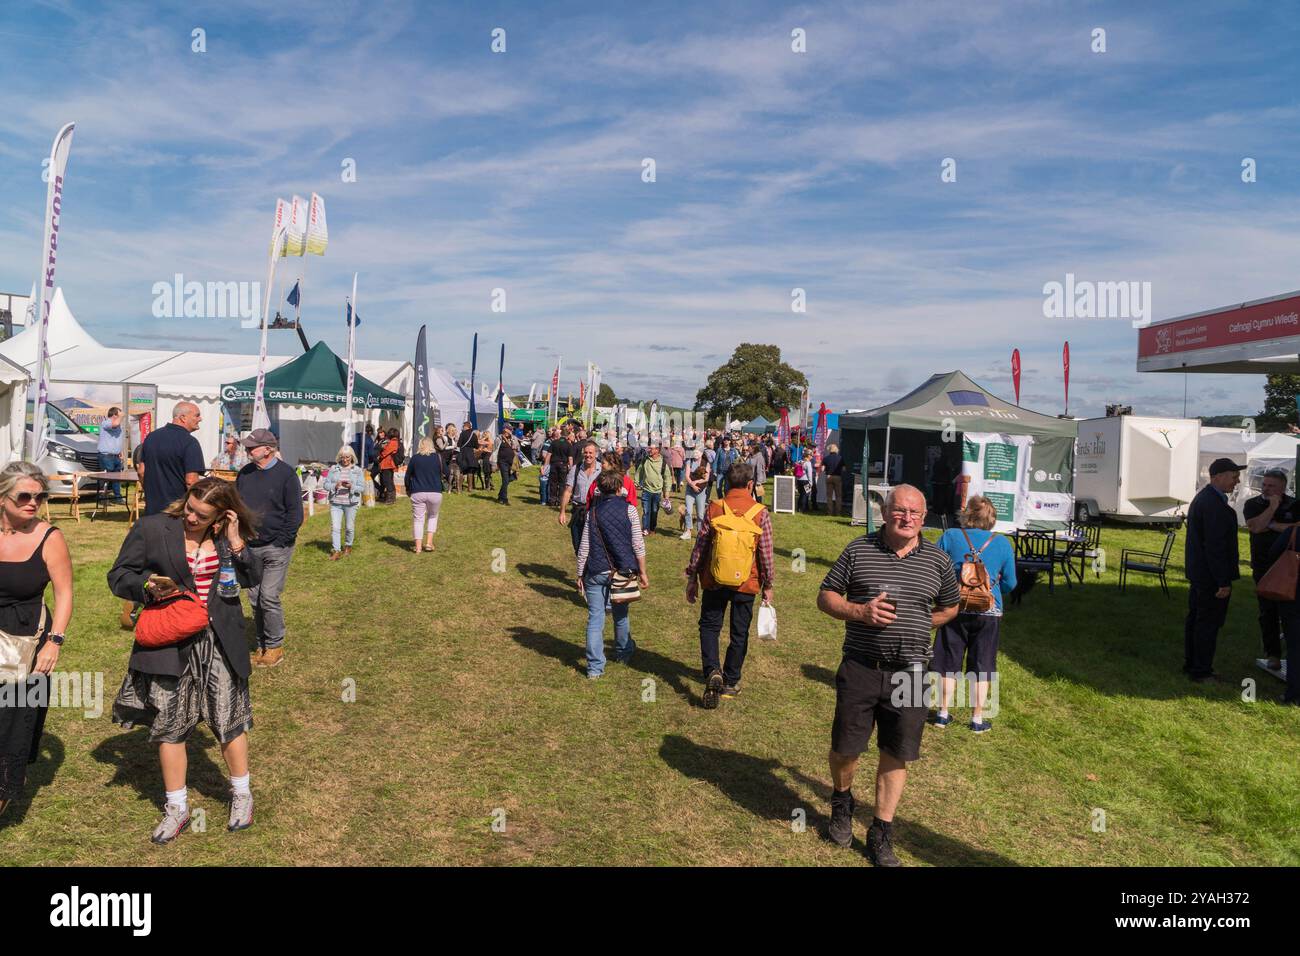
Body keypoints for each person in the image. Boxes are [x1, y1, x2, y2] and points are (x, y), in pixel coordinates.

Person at [108, 478, 258, 843]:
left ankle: (242, 794)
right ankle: (176, 807)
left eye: (201, 514)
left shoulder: (226, 535)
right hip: (170, 637)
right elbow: (119, 576)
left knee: (228, 718)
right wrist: (147, 587)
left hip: (220, 637)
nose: (191, 517)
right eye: (189, 508)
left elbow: (252, 577)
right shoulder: (152, 527)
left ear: (221, 515)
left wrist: (237, 543)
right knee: (170, 723)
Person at [817, 484, 960, 866]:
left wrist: (919, 622)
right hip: (862, 666)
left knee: (896, 753)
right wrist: (861, 613)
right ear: (885, 512)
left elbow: (951, 606)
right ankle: (842, 800)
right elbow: (826, 596)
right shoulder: (858, 550)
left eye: (915, 513)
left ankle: (881, 832)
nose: (907, 518)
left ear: (924, 517)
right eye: (900, 511)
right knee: (845, 749)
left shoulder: (938, 560)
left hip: (912, 673)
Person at [0, 463, 72, 817]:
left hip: (25, 639)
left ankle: (4, 790)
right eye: (24, 496)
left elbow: (65, 592)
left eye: (39, 496)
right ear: (3, 498)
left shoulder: (49, 537)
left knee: (12, 723)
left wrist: (54, 642)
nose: (33, 503)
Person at [684, 460, 774, 707]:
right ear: (750, 484)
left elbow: (701, 546)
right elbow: (765, 553)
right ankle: (731, 680)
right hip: (747, 581)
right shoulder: (760, 512)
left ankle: (712, 669)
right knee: (739, 632)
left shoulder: (715, 508)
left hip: (714, 578)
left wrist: (693, 576)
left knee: (710, 626)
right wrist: (768, 584)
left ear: (727, 483)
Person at [931, 496, 1017, 732]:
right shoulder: (1001, 544)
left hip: (954, 606)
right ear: (992, 518)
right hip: (989, 609)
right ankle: (977, 719)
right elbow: (1011, 582)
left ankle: (942, 713)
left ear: (967, 515)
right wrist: (996, 586)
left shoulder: (950, 536)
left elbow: (933, 567)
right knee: (983, 664)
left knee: (948, 660)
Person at [235, 429, 304, 668]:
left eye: (252, 447)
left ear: (268, 449)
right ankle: (262, 644)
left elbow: (295, 512)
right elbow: (237, 505)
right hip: (250, 546)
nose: (247, 450)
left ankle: (275, 646)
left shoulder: (286, 475)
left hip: (277, 546)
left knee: (269, 596)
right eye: (247, 446)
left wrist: (282, 540)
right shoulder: (244, 473)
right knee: (254, 598)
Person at [575, 470, 648, 679]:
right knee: (621, 615)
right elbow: (638, 544)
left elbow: (584, 547)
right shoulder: (630, 510)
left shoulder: (593, 513)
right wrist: (642, 571)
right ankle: (623, 652)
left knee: (595, 618)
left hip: (596, 570)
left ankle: (594, 667)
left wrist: (580, 573)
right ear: (619, 488)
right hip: (623, 570)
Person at [1184, 458, 1244, 684]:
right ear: (1217, 476)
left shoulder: (1207, 498)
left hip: (1201, 573)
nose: (1236, 481)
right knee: (1207, 623)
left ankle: (1193, 664)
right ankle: (1201, 670)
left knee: (1197, 620)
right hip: (1210, 576)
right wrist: (1223, 581)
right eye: (1233, 476)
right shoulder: (1212, 503)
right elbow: (1215, 546)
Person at [1243, 468, 1298, 676]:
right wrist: (1271, 509)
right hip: (1263, 567)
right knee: (1267, 612)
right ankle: (1273, 654)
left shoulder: (1294, 504)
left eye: (1271, 485)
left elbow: (1297, 528)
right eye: (1264, 484)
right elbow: (1255, 527)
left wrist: (1272, 524)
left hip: (1289, 567)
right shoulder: (1253, 504)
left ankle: (1292, 656)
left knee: (1289, 613)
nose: (1265, 488)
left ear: (1282, 487)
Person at [137, 401, 204, 516]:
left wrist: (150, 493)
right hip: (176, 511)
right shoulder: (190, 442)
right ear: (183, 417)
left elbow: (141, 471)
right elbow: (191, 481)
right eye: (197, 415)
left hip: (152, 510)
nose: (200, 419)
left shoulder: (151, 437)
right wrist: (196, 508)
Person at [1263, 526, 1300, 706]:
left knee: (1295, 646)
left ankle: (1294, 693)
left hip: (1291, 595)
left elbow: (1272, 555)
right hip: (1292, 597)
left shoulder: (1293, 531)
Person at [560, 441, 601, 553]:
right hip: (578, 511)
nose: (588, 455)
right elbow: (568, 491)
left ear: (596, 454)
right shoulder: (576, 469)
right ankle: (584, 568)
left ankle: (590, 569)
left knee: (594, 547)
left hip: (595, 512)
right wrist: (562, 511)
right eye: (586, 452)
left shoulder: (602, 470)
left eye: (591, 453)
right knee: (577, 545)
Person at [323, 446, 363, 560]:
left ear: (352, 457)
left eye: (347, 457)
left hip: (351, 503)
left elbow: (362, 488)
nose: (345, 460)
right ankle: (336, 550)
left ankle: (348, 545)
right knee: (335, 527)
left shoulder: (357, 470)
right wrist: (334, 486)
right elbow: (326, 485)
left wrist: (352, 486)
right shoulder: (333, 469)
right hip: (336, 503)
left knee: (349, 527)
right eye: (342, 457)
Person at [407, 436, 445, 552]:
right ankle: (429, 543)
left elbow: (407, 476)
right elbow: (447, 472)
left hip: (417, 492)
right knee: (433, 516)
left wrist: (409, 490)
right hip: (435, 492)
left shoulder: (415, 458)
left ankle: (418, 547)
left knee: (418, 519)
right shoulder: (438, 458)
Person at [636, 441, 671, 537]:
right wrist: (637, 482)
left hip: (657, 492)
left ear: (657, 450)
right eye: (649, 448)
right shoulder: (645, 460)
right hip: (646, 490)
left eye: (651, 448)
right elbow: (639, 471)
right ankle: (645, 529)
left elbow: (667, 478)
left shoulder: (663, 463)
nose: (649, 450)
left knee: (654, 511)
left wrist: (666, 493)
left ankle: (652, 528)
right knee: (646, 511)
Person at [96, 406, 126, 503]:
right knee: (105, 478)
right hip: (106, 456)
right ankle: (103, 498)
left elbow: (117, 439)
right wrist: (121, 416)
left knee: (116, 478)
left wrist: (120, 452)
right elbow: (115, 423)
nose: (121, 415)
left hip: (116, 456)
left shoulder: (118, 425)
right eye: (119, 413)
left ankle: (117, 497)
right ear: (114, 415)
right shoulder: (106, 422)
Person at [681, 459, 711, 540]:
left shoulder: (706, 463)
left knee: (700, 514)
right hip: (690, 490)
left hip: (701, 491)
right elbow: (687, 476)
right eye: (694, 450)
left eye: (697, 450)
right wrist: (692, 485)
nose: (695, 452)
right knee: (688, 511)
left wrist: (696, 482)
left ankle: (700, 533)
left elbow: (706, 478)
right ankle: (688, 531)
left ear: (701, 452)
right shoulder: (689, 462)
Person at [548, 427, 572, 507]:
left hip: (554, 464)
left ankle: (552, 500)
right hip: (563, 465)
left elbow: (549, 455)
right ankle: (560, 500)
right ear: (567, 435)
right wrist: (571, 467)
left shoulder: (554, 442)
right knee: (562, 484)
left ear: (560, 434)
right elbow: (570, 458)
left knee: (553, 483)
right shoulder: (568, 444)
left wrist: (545, 465)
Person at [376, 428, 400, 503]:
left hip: (388, 464)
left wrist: (380, 454)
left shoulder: (393, 442)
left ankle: (390, 499)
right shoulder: (394, 441)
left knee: (387, 481)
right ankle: (391, 498)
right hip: (387, 464)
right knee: (388, 481)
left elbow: (385, 452)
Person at [822, 443, 846, 517]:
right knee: (838, 496)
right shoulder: (840, 458)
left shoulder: (826, 458)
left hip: (829, 477)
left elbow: (822, 469)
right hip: (837, 477)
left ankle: (829, 512)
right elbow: (844, 469)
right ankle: (838, 513)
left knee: (829, 496)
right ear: (836, 450)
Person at [496, 431, 516, 504]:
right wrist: (495, 463)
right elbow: (495, 450)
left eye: (509, 431)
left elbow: (515, 448)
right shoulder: (499, 439)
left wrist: (512, 441)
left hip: (511, 463)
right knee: (505, 479)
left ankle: (500, 495)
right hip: (502, 462)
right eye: (506, 431)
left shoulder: (512, 439)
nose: (508, 433)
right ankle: (504, 499)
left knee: (513, 477)